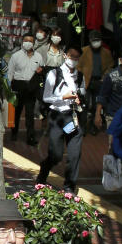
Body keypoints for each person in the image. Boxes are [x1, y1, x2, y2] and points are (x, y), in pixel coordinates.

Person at [36, 45, 84, 192]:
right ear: (65, 55)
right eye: (71, 56)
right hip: (57, 117)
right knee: (56, 155)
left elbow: (83, 93)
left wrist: (79, 99)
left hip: (74, 117)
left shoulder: (80, 76)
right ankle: (44, 169)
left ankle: (69, 187)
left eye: (76, 58)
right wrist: (63, 97)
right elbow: (46, 97)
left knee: (74, 155)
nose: (73, 60)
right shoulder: (54, 74)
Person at [6, 33, 45, 145]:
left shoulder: (38, 56)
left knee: (29, 113)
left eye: (30, 41)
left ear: (33, 43)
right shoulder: (15, 56)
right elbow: (10, 73)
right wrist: (8, 89)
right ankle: (14, 133)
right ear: (22, 42)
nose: (28, 43)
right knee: (16, 112)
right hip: (18, 86)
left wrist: (40, 71)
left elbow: (41, 69)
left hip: (31, 86)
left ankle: (30, 137)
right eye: (26, 40)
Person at [78, 30, 113, 133]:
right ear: (90, 40)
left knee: (95, 105)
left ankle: (94, 126)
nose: (96, 42)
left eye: (98, 40)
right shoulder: (84, 51)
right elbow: (78, 65)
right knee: (83, 104)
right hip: (86, 81)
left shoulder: (106, 52)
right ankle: (83, 127)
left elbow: (110, 66)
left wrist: (105, 76)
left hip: (99, 82)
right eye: (94, 40)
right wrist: (81, 76)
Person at [94, 45, 122, 131]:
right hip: (115, 117)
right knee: (116, 144)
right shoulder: (112, 76)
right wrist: (98, 114)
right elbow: (102, 96)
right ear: (121, 60)